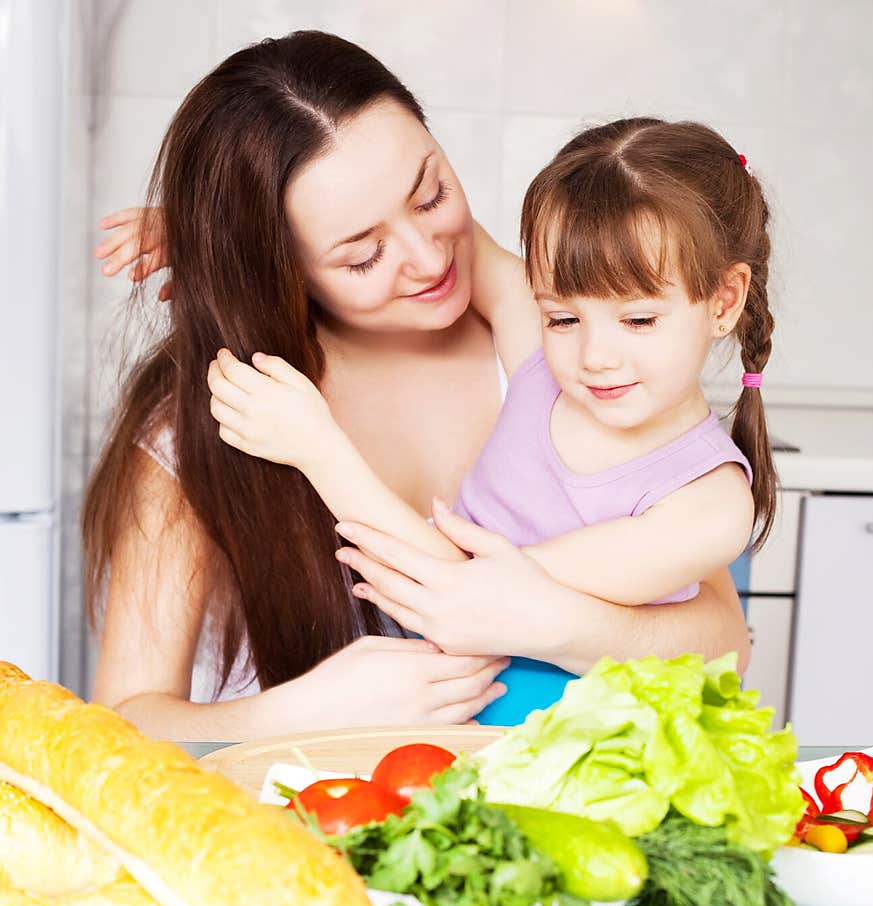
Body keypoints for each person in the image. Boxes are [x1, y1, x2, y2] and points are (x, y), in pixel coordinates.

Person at [88, 31, 750, 742]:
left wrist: (558, 622)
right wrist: (305, 712)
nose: (430, 257)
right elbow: (121, 725)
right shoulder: (233, 414)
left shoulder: (569, 345)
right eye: (363, 254)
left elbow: (721, 643)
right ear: (282, 266)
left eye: (430, 194)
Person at [202, 116, 774, 724]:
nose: (595, 357)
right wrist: (227, 227)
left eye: (637, 320)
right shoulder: (537, 350)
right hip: (455, 741)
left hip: (591, 766)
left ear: (725, 301)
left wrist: (317, 448)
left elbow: (468, 593)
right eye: (562, 317)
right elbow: (431, 237)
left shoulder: (711, 504)